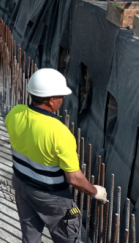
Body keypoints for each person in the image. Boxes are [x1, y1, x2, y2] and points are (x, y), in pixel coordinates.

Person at [6, 68, 107, 243]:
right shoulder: (59, 133)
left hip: (21, 184)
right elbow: (74, 178)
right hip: (51, 197)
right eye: (61, 96)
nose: (63, 99)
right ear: (51, 100)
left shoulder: (15, 113)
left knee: (30, 237)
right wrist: (94, 191)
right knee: (68, 238)